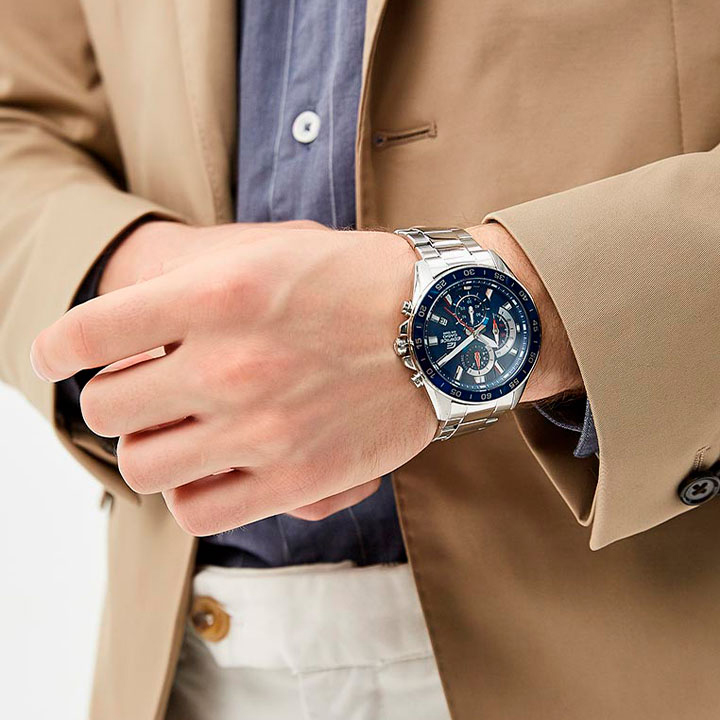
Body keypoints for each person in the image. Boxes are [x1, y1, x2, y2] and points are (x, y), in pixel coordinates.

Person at [2, 1, 719, 719]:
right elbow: (18, 117)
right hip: (183, 662)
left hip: (643, 634)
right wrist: (147, 275)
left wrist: (509, 304)